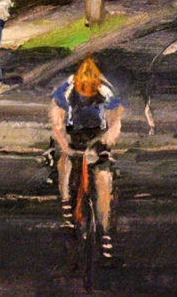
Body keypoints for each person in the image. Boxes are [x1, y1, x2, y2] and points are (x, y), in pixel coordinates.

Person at [50, 56, 125, 256]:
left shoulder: (106, 91)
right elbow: (57, 123)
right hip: (74, 133)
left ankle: (105, 230)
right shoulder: (66, 90)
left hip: (96, 135)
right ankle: (66, 200)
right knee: (65, 161)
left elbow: (115, 123)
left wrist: (105, 142)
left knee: (103, 180)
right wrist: (65, 146)